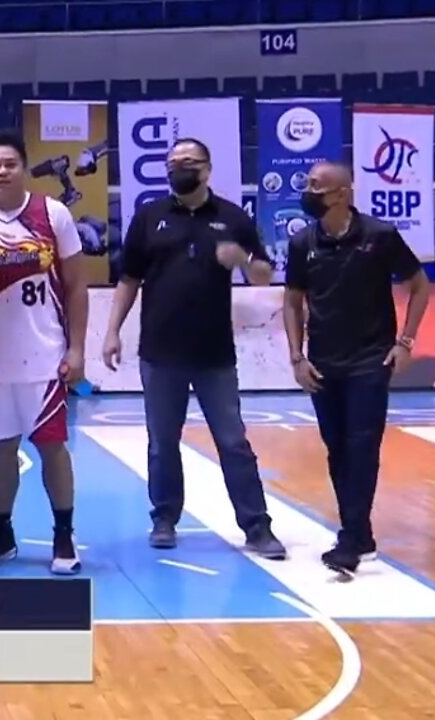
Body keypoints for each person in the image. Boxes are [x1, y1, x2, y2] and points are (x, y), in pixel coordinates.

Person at [101, 137, 286, 559]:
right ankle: (164, 517)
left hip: (214, 354)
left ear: (207, 168)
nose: (178, 168)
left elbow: (262, 276)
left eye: (188, 161)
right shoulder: (149, 217)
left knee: (233, 441)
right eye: (172, 162)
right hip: (160, 352)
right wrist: (112, 331)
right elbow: (128, 279)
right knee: (161, 441)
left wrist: (241, 258)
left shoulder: (233, 217)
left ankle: (256, 525)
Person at [282, 161, 430, 575]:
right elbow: (292, 301)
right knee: (338, 448)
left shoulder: (380, 236)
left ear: (344, 192)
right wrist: (297, 356)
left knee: (362, 446)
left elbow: (418, 285)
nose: (309, 192)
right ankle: (360, 533)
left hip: (371, 359)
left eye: (318, 186)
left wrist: (405, 341)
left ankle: (349, 541)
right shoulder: (302, 243)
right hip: (323, 361)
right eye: (308, 184)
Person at [0, 131, 88, 575]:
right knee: (1, 446)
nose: (1, 171)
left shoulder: (53, 214)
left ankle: (64, 535)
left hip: (45, 354)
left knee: (53, 447)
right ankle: (2, 534)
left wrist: (77, 347)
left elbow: (75, 286)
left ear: (25, 168)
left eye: (10, 163)